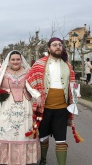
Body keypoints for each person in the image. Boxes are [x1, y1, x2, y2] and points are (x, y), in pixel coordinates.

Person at [0, 51, 41, 165]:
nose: (15, 62)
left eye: (18, 59)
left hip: (24, 105)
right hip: (7, 104)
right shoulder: (3, 72)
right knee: (5, 129)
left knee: (24, 129)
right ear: (9, 61)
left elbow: (30, 86)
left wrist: (37, 96)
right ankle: (4, 159)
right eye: (13, 59)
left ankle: (21, 159)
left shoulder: (27, 72)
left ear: (21, 60)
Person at [26, 37, 83, 165]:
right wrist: (37, 95)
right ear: (49, 48)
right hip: (44, 108)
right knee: (43, 137)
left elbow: (72, 83)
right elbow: (29, 81)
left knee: (61, 139)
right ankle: (43, 160)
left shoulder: (67, 65)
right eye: (54, 45)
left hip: (62, 108)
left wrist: (75, 94)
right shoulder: (39, 63)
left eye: (60, 45)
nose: (58, 47)